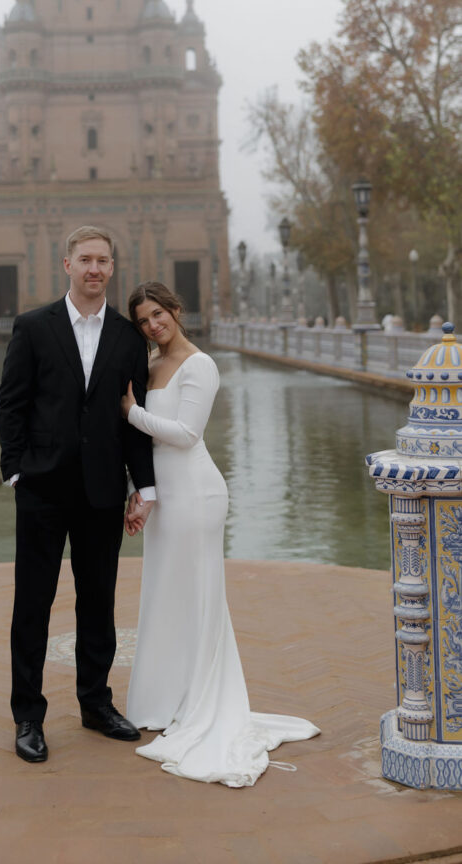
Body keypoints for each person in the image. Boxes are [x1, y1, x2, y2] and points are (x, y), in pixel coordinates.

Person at [121, 281, 319, 786]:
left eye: (158, 314)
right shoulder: (149, 364)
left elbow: (186, 435)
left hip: (196, 492)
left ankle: (203, 701)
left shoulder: (200, 365)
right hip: (163, 494)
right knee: (164, 594)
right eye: (143, 320)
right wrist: (140, 491)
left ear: (175, 309)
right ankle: (165, 701)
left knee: (197, 595)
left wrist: (130, 412)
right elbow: (143, 445)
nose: (152, 325)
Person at [0, 226, 156, 764]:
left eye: (103, 261)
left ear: (112, 267)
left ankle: (96, 703)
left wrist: (143, 487)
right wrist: (15, 472)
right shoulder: (33, 327)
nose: (94, 269)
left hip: (102, 490)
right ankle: (28, 716)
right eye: (85, 259)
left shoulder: (128, 338)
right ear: (66, 264)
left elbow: (134, 420)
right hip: (41, 487)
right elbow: (11, 403)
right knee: (32, 604)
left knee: (98, 602)